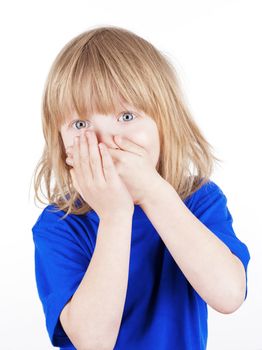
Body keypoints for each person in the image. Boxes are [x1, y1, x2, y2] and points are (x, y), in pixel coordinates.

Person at [31, 25, 250, 350]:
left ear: (165, 123)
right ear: (60, 142)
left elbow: (230, 294)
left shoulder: (197, 200)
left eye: (126, 116)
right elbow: (92, 341)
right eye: (81, 124)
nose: (104, 140)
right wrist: (115, 215)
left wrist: (152, 192)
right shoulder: (59, 224)